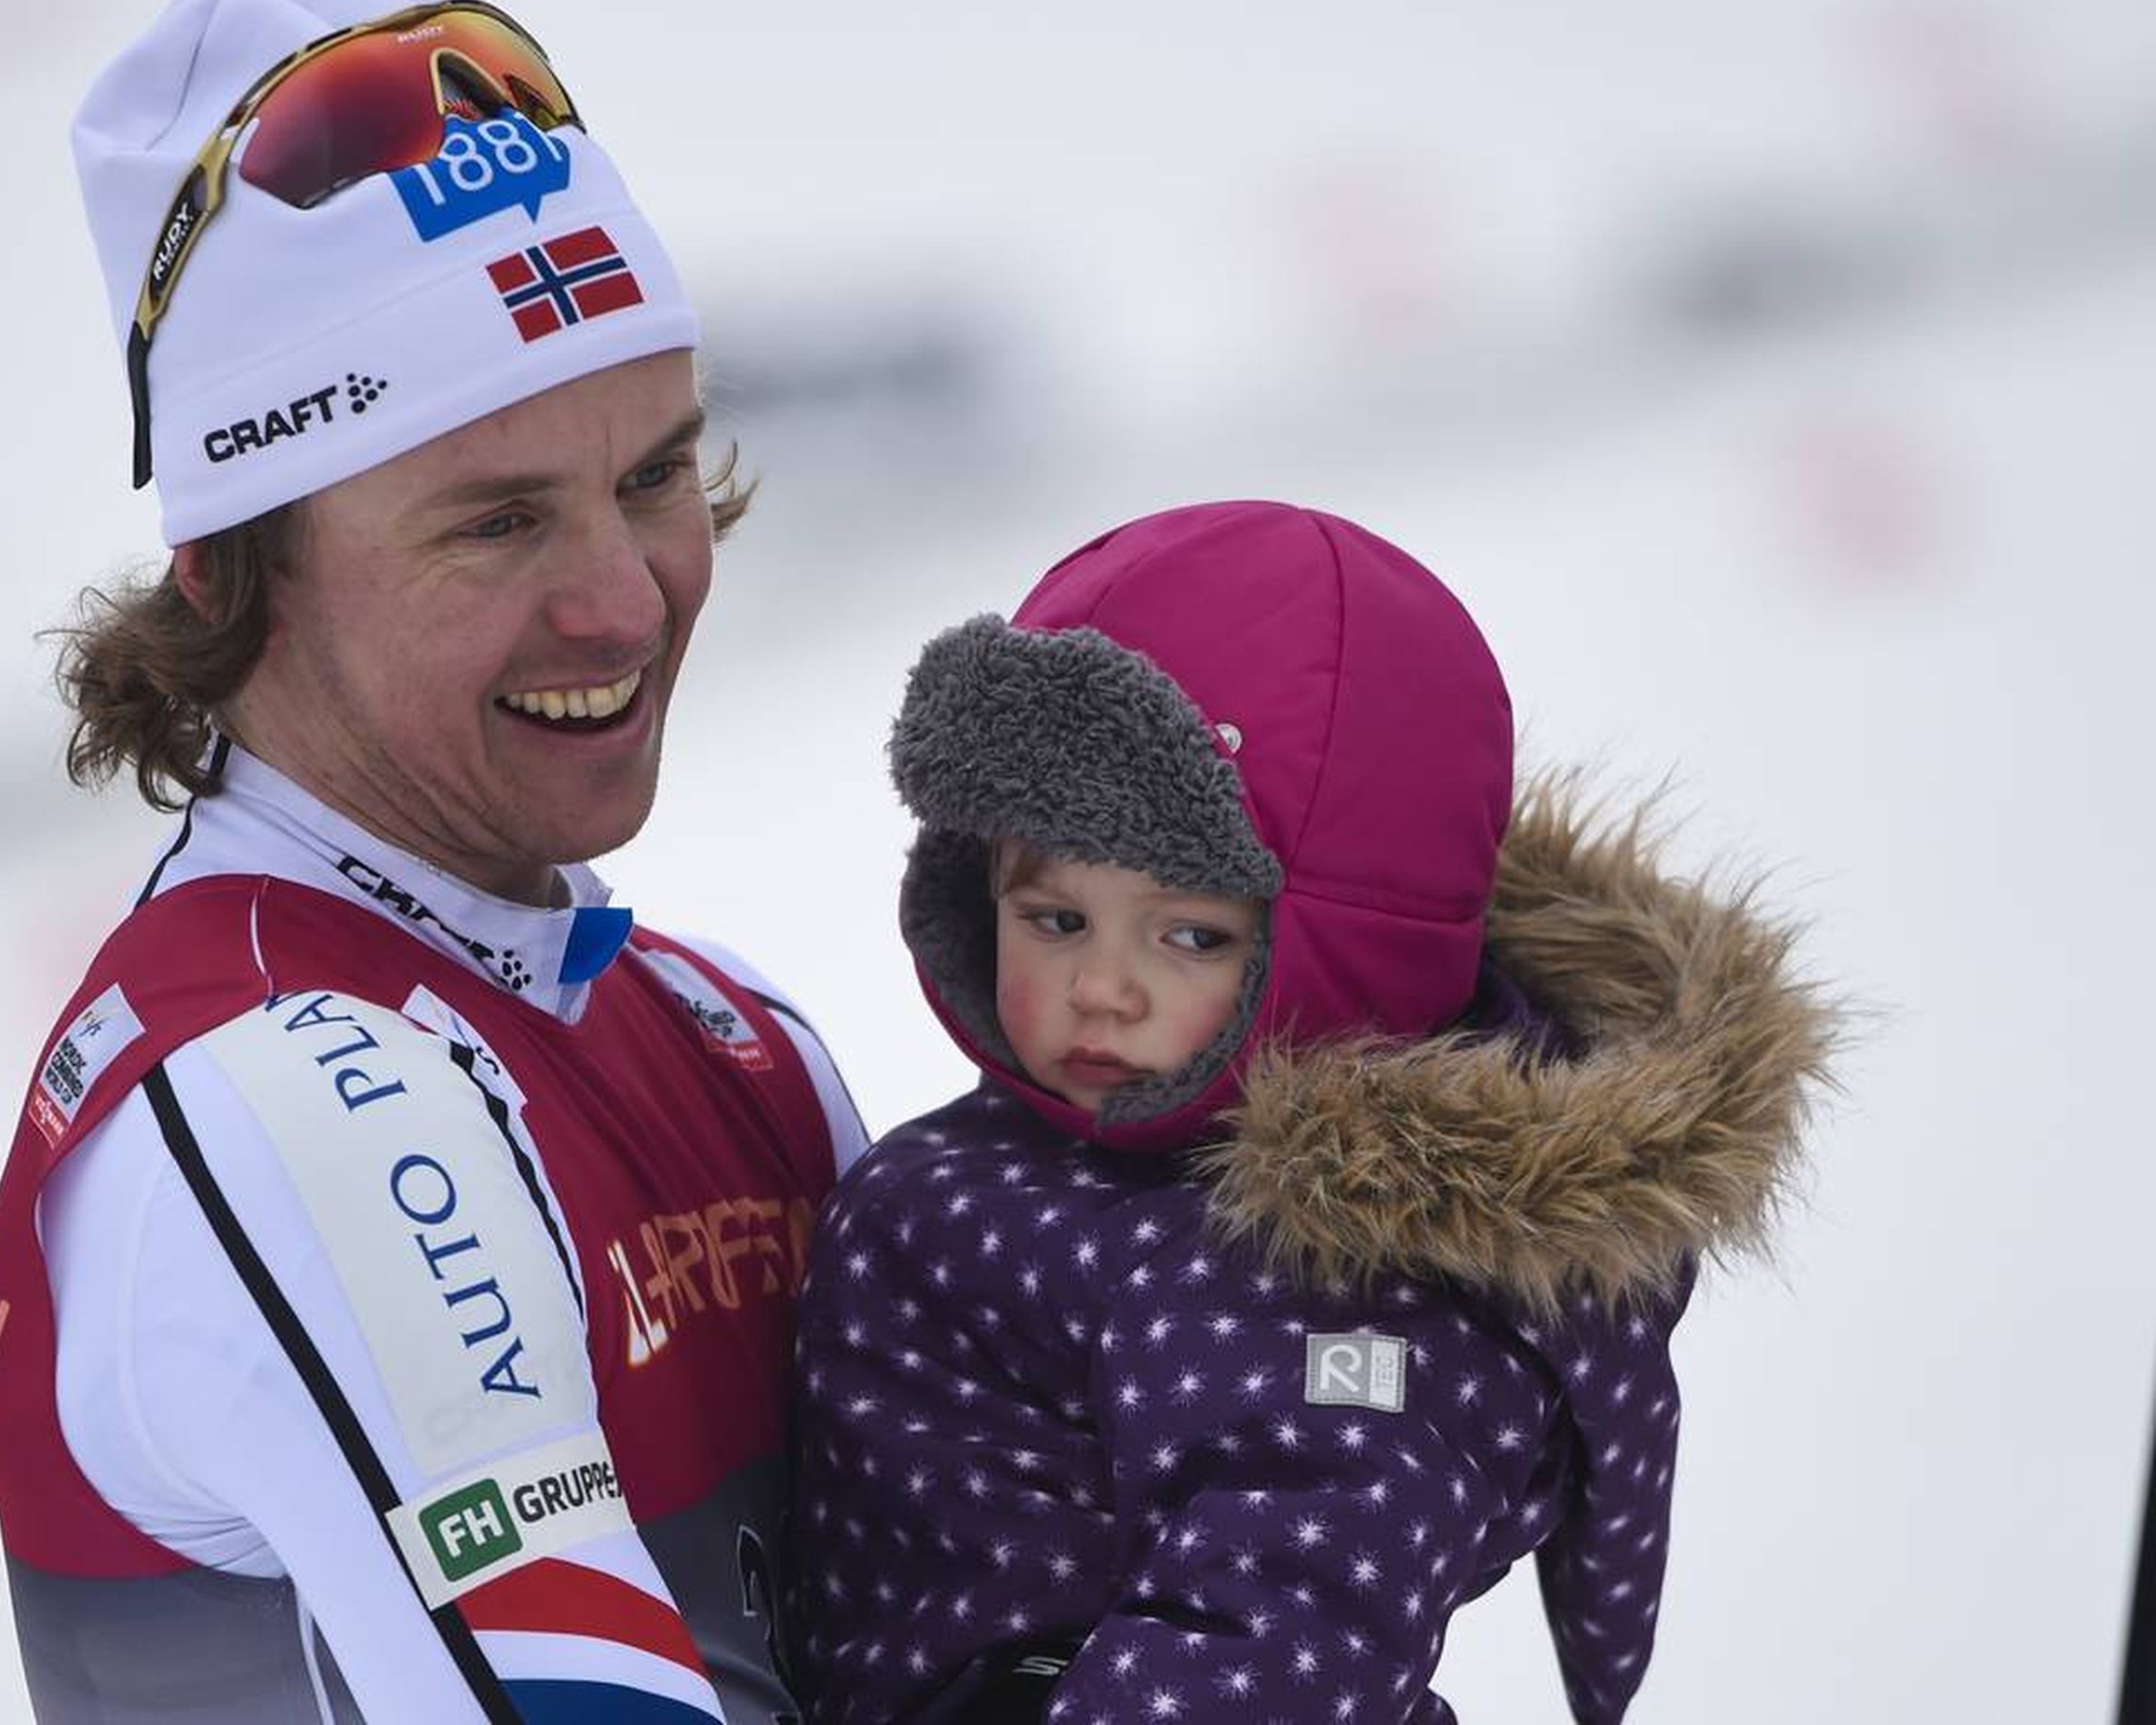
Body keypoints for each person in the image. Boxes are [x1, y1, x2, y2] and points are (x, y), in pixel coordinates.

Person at [0, 0, 866, 1723]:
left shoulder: (717, 1033)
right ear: (233, 567)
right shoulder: (291, 1096)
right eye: (495, 523)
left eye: (653, 476)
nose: (624, 602)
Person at [787, 501, 1839, 1723]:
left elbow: (1284, 1640)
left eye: (1191, 934)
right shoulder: (1060, 1158)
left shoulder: (1312, 1276)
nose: (1103, 988)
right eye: (1055, 918)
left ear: (1344, 955)